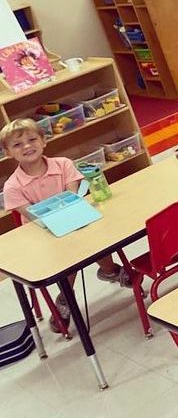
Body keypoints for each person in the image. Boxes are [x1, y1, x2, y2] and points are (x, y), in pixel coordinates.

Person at [2, 118, 129, 331]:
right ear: (8, 153)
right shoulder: (12, 186)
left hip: (76, 220)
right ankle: (72, 294)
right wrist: (61, 219)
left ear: (43, 141)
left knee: (93, 238)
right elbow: (34, 217)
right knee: (72, 251)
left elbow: (73, 198)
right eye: (17, 144)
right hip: (44, 236)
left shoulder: (63, 164)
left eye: (32, 139)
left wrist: (67, 217)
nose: (27, 146)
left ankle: (105, 272)